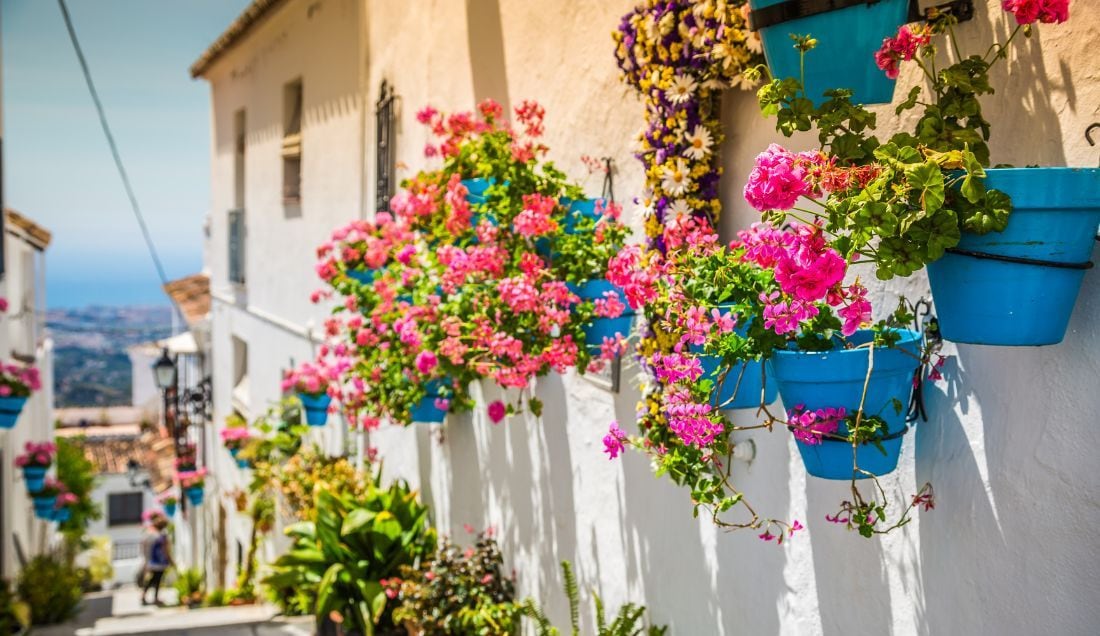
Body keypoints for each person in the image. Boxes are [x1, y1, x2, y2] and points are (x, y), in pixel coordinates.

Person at [140, 513, 173, 606]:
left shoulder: (150, 534)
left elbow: (144, 546)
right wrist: (170, 560)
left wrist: (146, 560)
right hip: (160, 561)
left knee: (152, 579)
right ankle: (154, 597)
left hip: (152, 560)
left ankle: (144, 595)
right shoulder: (161, 536)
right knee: (157, 579)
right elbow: (165, 549)